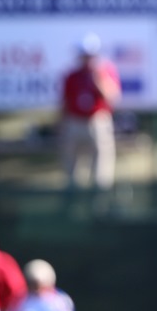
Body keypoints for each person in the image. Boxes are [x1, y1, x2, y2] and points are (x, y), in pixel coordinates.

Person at [60, 33, 121, 192]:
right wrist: (62, 124)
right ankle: (73, 201)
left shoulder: (105, 72)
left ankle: (100, 204)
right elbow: (64, 103)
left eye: (91, 55)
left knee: (101, 168)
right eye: (84, 55)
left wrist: (99, 80)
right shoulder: (72, 76)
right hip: (75, 122)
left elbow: (113, 97)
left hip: (98, 121)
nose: (87, 59)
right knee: (73, 167)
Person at [5, 259, 78, 311]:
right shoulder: (20, 300)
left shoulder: (61, 300)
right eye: (33, 284)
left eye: (39, 284)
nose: (37, 289)